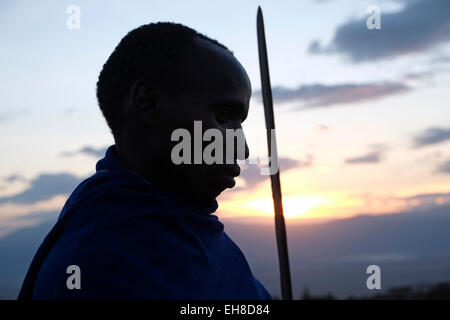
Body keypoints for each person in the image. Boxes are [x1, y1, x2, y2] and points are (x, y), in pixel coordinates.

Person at [18, 22, 272, 300]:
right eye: (223, 116)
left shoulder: (206, 239)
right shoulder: (92, 268)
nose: (243, 149)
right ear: (148, 105)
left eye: (240, 123)